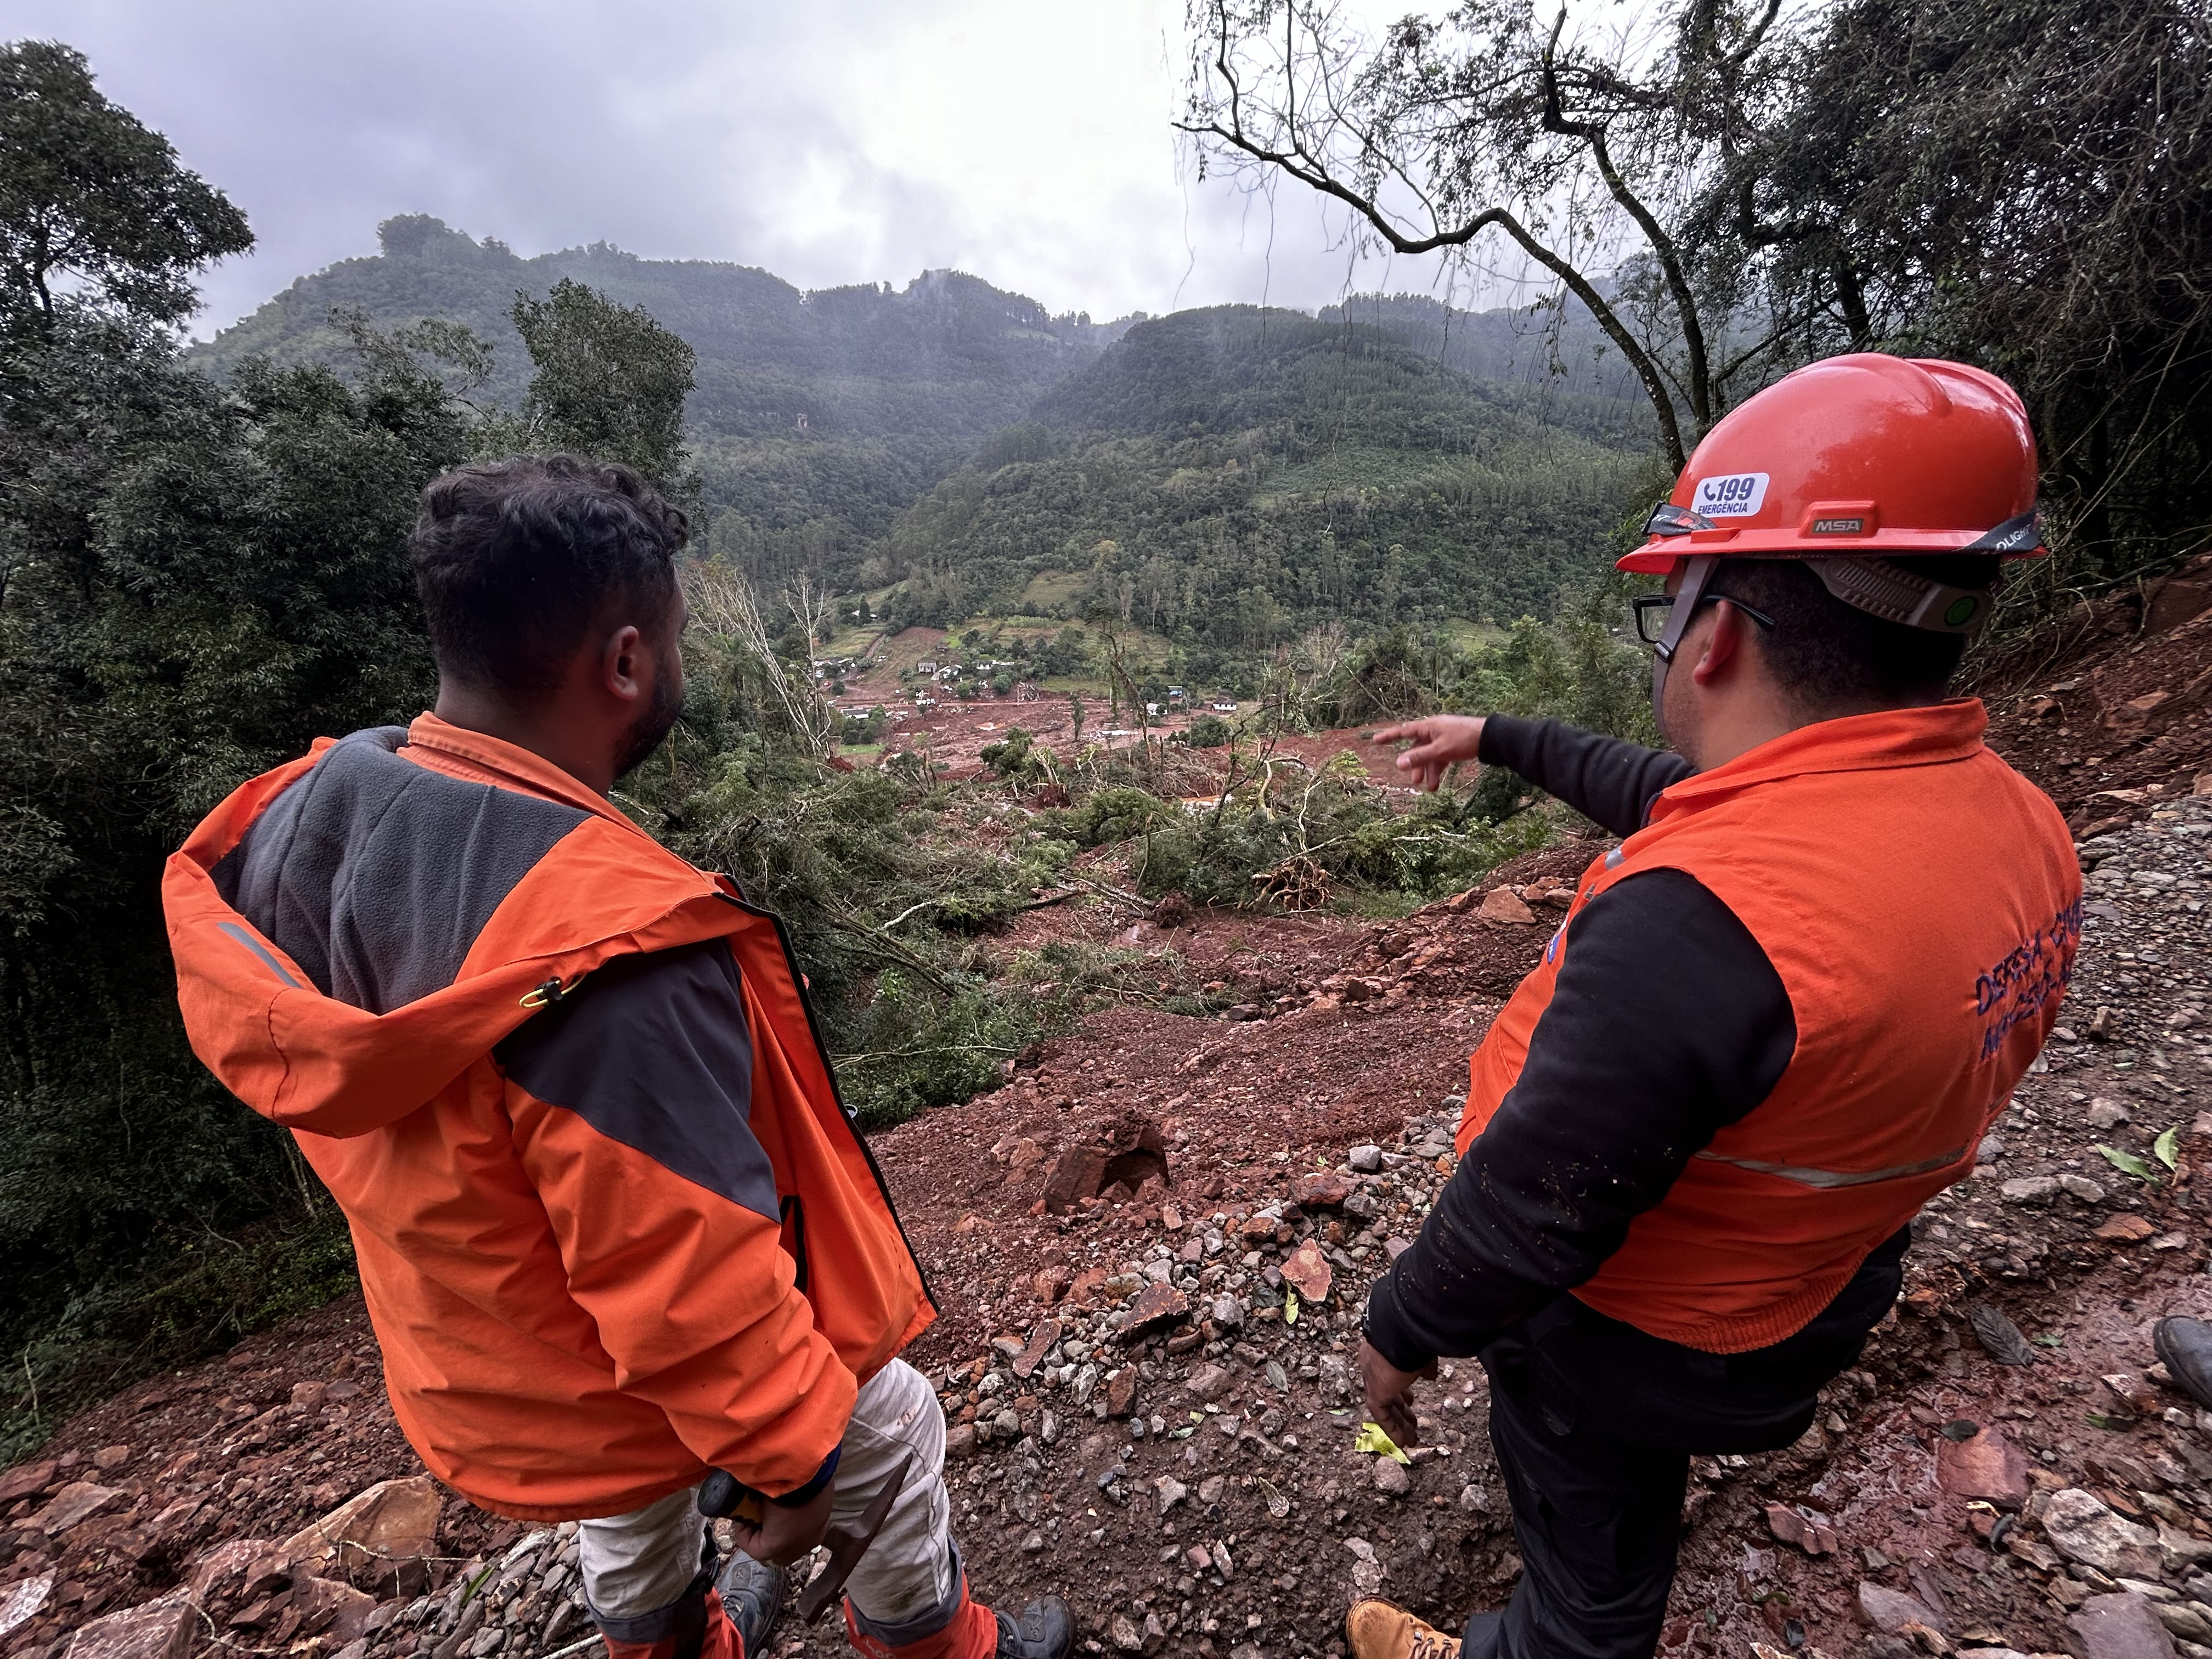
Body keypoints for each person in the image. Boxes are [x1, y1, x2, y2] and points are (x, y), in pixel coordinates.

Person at [163, 456, 1074, 1659]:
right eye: (681, 639)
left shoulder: (309, 815)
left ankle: (673, 1644)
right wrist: (790, 1460)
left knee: (632, 1503)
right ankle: (941, 1646)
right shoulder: (611, 953)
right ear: (629, 660)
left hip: (487, 1357)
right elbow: (680, 1276)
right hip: (611, 1384)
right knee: (889, 1423)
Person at [1345, 356, 2081, 1659]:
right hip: (1812, 1288)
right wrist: (1502, 735)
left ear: (1718, 636)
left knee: (1594, 1587)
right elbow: (1701, 796)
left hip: (1629, 1346)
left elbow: (1531, 1205)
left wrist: (1399, 1332)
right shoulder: (2019, 829)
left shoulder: (1702, 928)